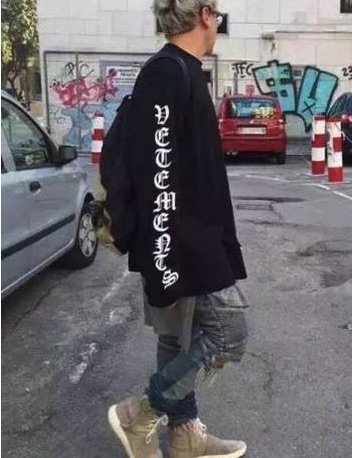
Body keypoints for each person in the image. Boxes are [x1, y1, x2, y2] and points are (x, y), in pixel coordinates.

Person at [106, 1, 249, 457]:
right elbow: (157, 175)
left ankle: (185, 437)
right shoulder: (167, 73)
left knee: (176, 339)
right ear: (205, 14)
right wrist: (163, 262)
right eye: (217, 14)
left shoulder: (182, 71)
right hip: (183, 244)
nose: (218, 22)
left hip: (192, 238)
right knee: (229, 332)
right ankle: (140, 414)